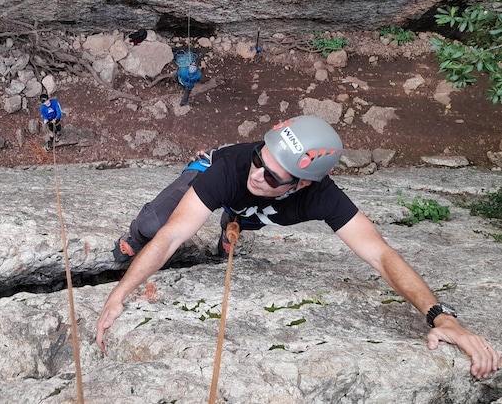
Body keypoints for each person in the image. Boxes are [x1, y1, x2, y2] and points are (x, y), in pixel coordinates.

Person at [97, 115, 500, 380]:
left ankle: (231, 225)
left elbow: (381, 253)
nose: (259, 174)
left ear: (303, 184)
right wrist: (120, 293)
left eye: (274, 176)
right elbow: (171, 236)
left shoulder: (322, 197)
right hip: (212, 174)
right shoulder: (234, 169)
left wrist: (440, 317)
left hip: (252, 211)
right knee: (155, 224)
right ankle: (134, 239)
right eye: (260, 158)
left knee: (244, 216)